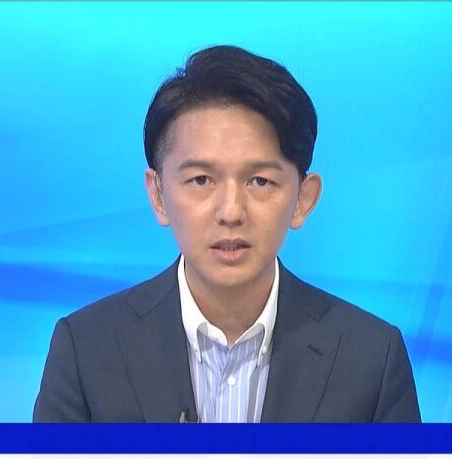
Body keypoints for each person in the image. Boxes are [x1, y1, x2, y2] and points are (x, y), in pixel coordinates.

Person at [33, 45, 420, 423]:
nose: (231, 212)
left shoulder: (371, 358)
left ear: (303, 199)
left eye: (260, 181)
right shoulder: (87, 349)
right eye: (201, 180)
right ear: (159, 195)